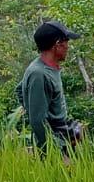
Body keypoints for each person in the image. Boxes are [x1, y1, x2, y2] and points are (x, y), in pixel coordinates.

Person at [18, 19, 81, 156]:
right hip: (55, 144)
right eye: (66, 42)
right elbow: (37, 121)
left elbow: (20, 89)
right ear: (57, 45)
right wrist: (55, 153)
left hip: (62, 135)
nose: (68, 47)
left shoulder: (46, 68)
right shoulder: (39, 74)